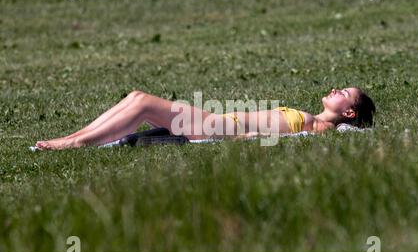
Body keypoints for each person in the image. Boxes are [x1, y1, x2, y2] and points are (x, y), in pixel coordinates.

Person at [35, 87, 375, 150]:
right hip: (217, 121)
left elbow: (348, 136)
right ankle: (75, 138)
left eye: (344, 92)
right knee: (138, 99)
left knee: (140, 103)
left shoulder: (315, 126)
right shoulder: (308, 119)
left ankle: (75, 142)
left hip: (216, 127)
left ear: (348, 112)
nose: (335, 89)